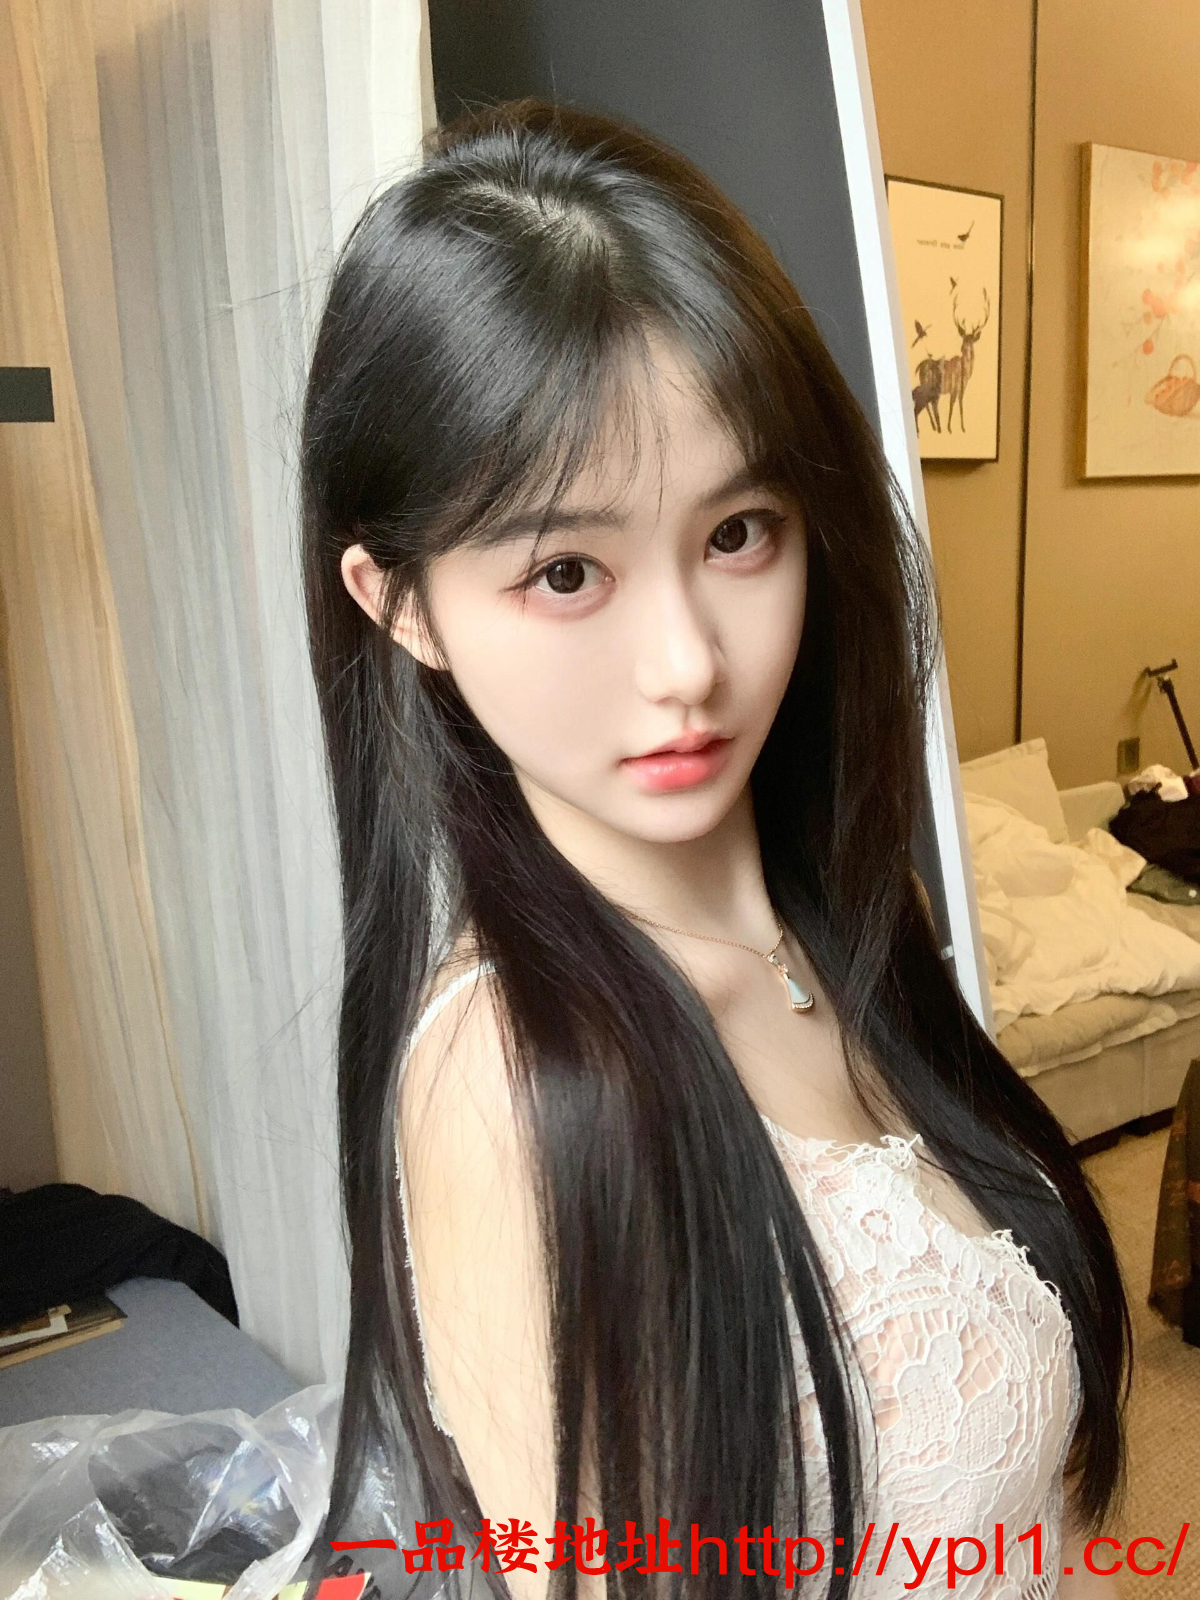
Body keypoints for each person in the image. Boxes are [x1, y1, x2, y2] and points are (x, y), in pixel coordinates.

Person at [299, 98, 1130, 1599]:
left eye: (738, 533)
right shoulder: (519, 1080)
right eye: (567, 570)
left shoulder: (854, 916)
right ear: (402, 603)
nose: (687, 661)